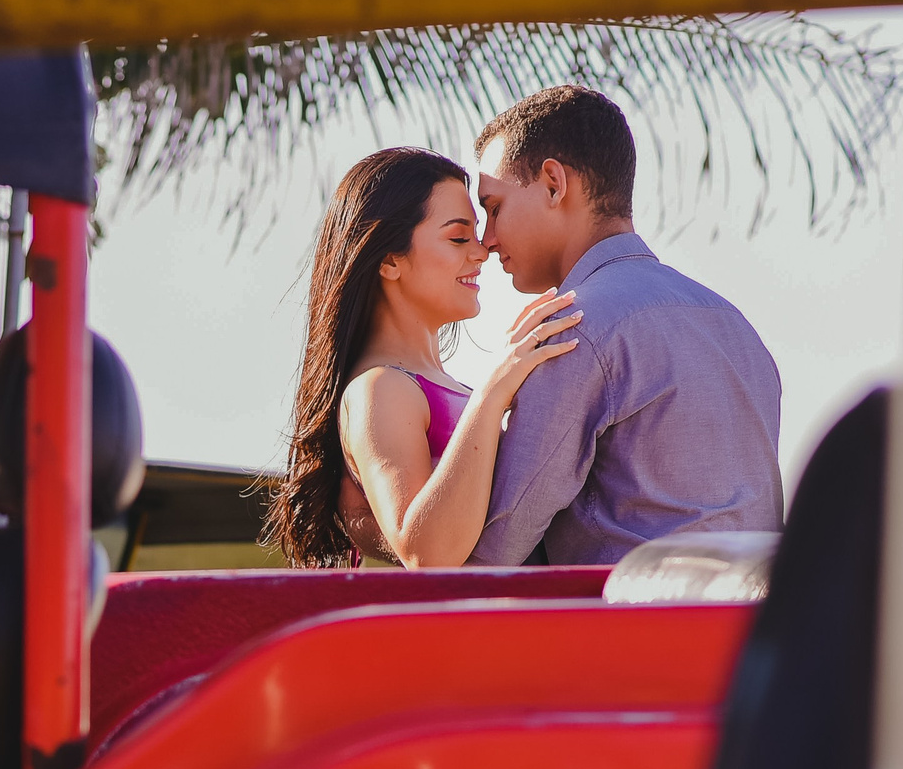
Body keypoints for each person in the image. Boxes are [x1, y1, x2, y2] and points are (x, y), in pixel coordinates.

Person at [468, 85, 783, 564]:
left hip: (635, 631)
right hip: (749, 630)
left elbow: (492, 552)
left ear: (554, 183)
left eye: (494, 208)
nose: (486, 240)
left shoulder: (574, 327)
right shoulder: (736, 327)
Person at [270, 147, 583, 568]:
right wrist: (493, 393)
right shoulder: (381, 390)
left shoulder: (431, 387)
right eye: (458, 238)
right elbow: (427, 554)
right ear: (389, 259)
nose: (481, 251)